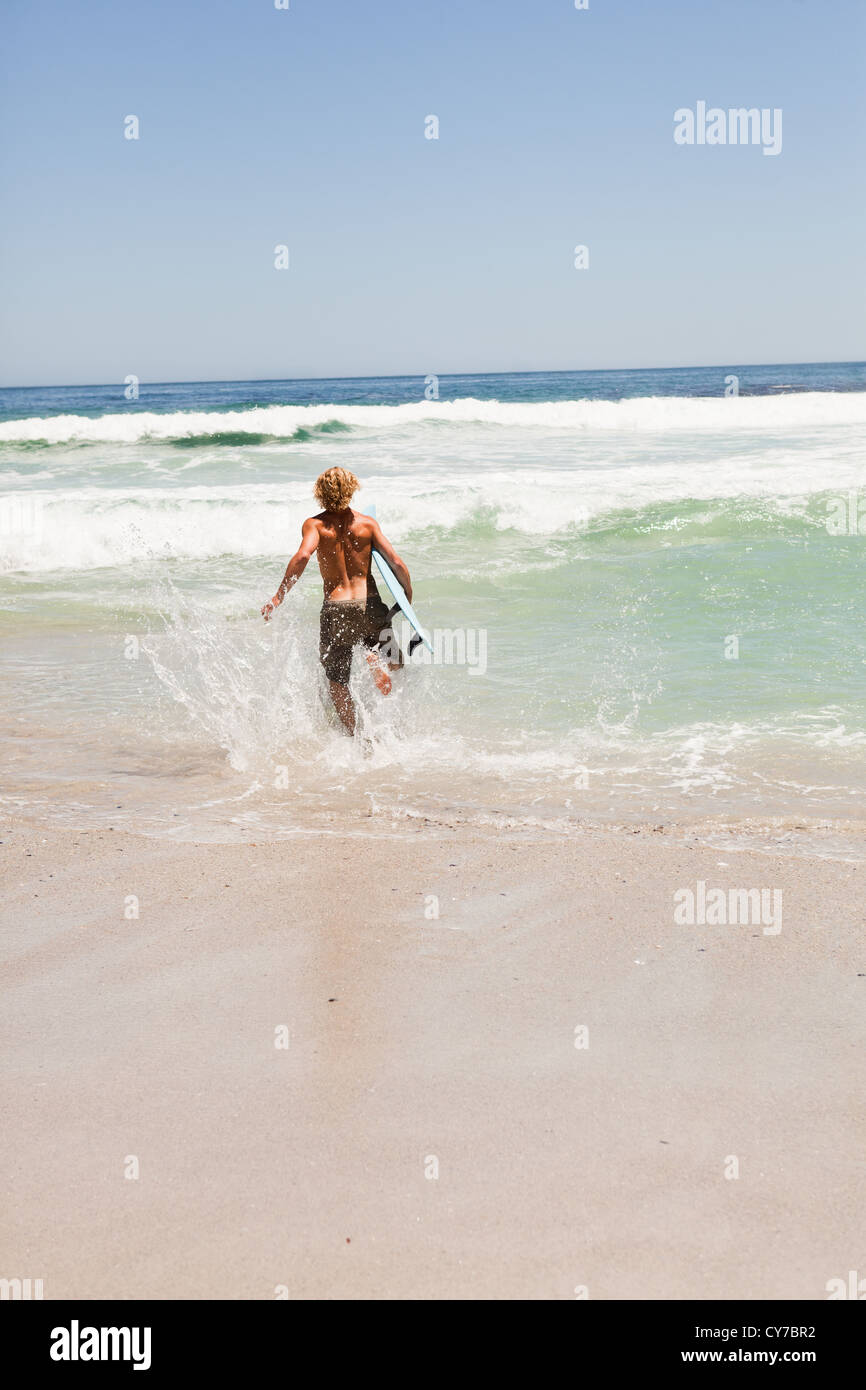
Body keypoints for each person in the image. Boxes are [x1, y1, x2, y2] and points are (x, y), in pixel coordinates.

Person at [261, 467, 413, 735]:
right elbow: (396, 562)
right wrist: (407, 593)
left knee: (337, 681)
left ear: (320, 493)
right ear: (352, 489)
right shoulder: (367, 524)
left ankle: (356, 736)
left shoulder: (315, 525)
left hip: (337, 609)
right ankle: (374, 657)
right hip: (371, 604)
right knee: (396, 661)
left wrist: (278, 596)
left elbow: (302, 557)